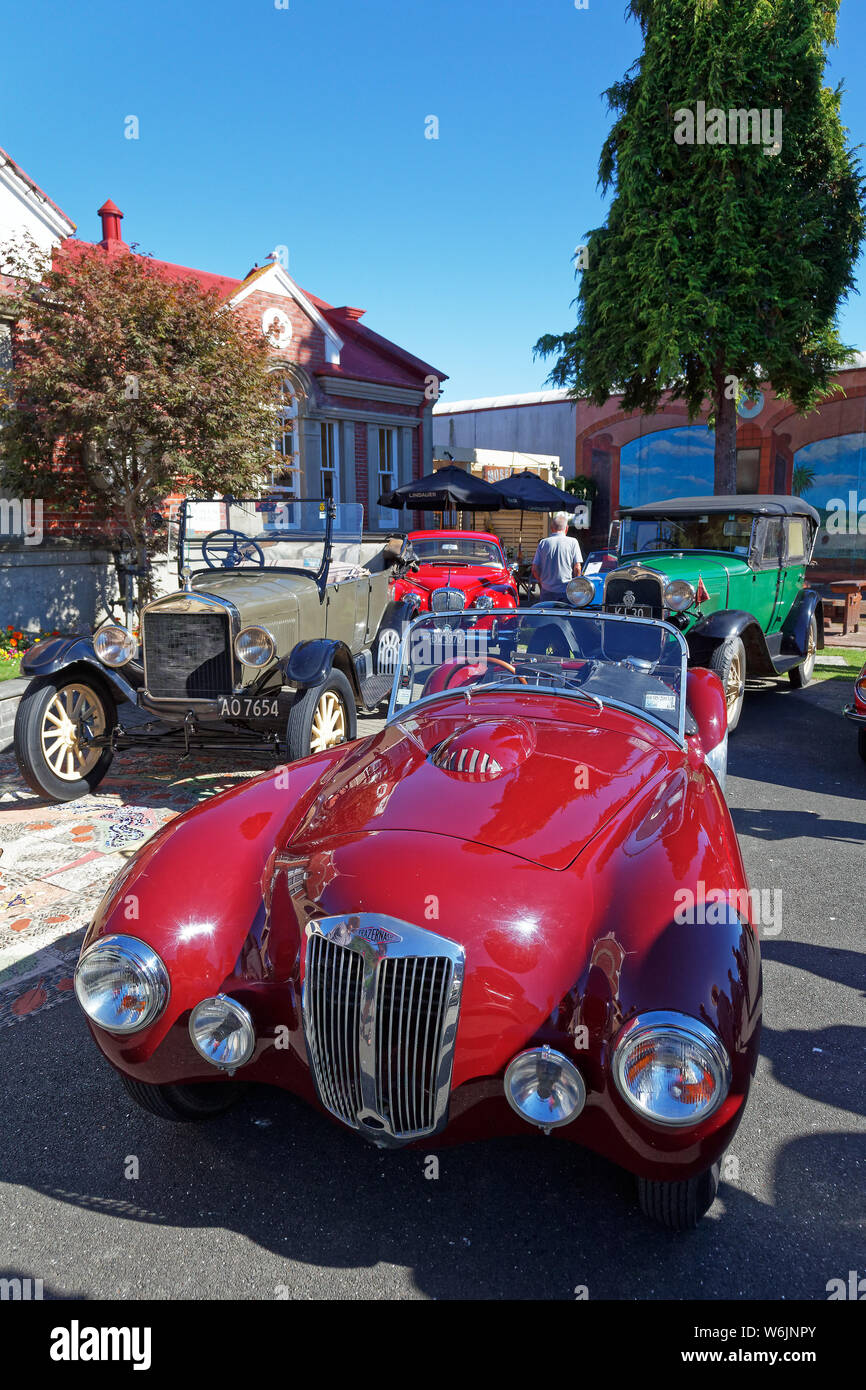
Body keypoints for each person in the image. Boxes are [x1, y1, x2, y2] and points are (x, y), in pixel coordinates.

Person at [531, 512, 583, 603]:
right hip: (566, 590)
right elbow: (577, 568)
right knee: (565, 615)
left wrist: (542, 582)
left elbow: (534, 569)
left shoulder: (543, 543)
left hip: (547, 590)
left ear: (551, 528)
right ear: (566, 528)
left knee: (547, 616)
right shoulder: (573, 542)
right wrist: (575, 585)